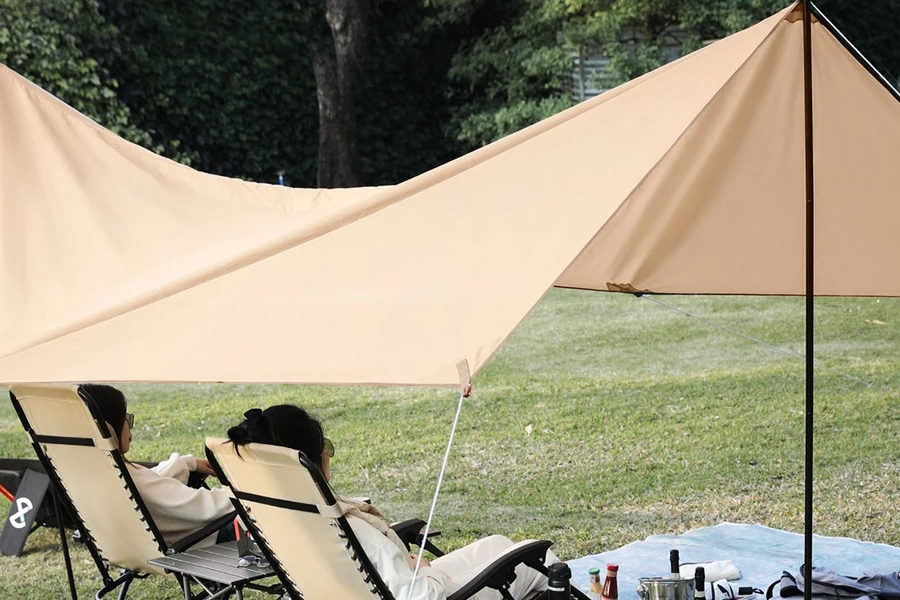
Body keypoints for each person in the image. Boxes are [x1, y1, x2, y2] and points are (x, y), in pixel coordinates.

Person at [227, 405, 559, 600]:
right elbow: (423, 597)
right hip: (426, 593)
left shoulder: (275, 518)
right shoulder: (350, 530)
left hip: (384, 585)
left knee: (499, 544)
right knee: (535, 560)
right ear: (316, 461)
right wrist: (425, 571)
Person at [83, 384, 234, 546]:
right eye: (125, 419)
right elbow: (208, 507)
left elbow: (154, 484)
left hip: (131, 550)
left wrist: (185, 464)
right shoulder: (139, 483)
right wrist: (248, 492)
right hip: (194, 546)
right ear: (108, 429)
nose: (128, 425)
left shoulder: (90, 476)